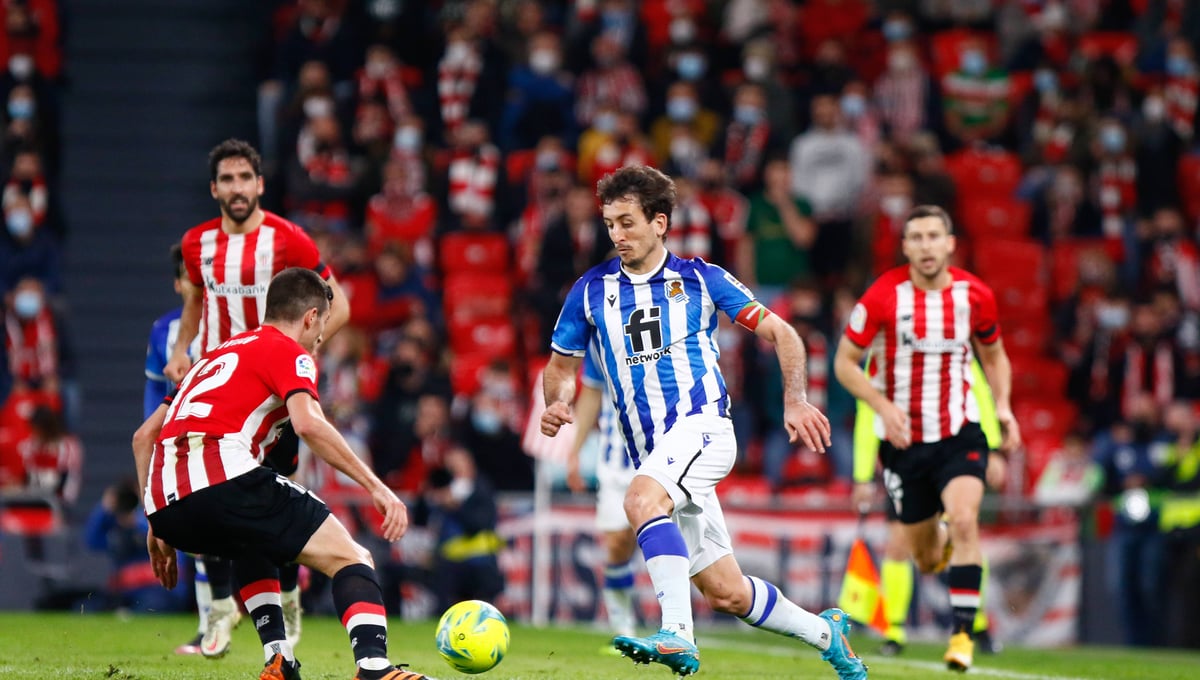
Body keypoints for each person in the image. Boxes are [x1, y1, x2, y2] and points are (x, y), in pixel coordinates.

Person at [540, 165, 867, 679]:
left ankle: (677, 633)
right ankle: (828, 635)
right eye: (610, 224)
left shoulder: (700, 278)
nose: (617, 235)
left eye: (627, 222)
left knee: (640, 501)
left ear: (659, 222)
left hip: (704, 428)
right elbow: (560, 369)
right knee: (727, 593)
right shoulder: (589, 290)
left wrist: (796, 400)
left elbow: (783, 333)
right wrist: (556, 402)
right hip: (658, 457)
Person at [132, 267, 432, 680]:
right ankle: (374, 668)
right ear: (310, 317)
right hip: (224, 479)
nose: (322, 337)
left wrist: (154, 520)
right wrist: (376, 486)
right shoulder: (290, 352)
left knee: (252, 541)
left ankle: (280, 659)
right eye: (323, 324)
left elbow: (143, 436)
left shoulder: (212, 356)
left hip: (167, 506)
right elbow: (308, 424)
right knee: (352, 556)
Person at [163, 138, 351, 656]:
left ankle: (287, 599)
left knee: (277, 498)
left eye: (245, 177)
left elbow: (339, 306)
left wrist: (299, 355)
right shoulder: (197, 243)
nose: (237, 188)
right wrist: (180, 350)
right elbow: (195, 304)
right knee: (206, 490)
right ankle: (217, 615)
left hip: (271, 399)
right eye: (227, 179)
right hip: (215, 390)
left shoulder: (290, 241)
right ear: (214, 189)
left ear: (260, 184)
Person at [833, 205, 1021, 672]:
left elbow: (994, 357)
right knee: (925, 558)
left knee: (966, 521)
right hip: (904, 446)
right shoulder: (883, 297)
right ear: (905, 247)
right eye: (916, 237)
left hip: (959, 434)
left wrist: (1002, 409)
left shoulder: (975, 295)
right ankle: (937, 544)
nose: (926, 246)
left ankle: (962, 637)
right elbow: (844, 365)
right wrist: (882, 408)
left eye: (934, 236)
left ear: (950, 243)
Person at [850, 358, 1005, 656]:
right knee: (901, 545)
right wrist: (862, 475)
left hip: (952, 452)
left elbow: (978, 393)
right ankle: (895, 632)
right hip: (905, 458)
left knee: (963, 527)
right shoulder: (882, 351)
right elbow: (867, 412)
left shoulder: (951, 339)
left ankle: (976, 622)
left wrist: (993, 447)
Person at [142, 243, 213, 654]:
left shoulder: (234, 323)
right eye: (189, 278)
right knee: (199, 533)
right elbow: (155, 394)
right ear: (178, 284)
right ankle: (210, 627)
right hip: (186, 442)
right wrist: (155, 441)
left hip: (237, 436)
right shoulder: (163, 330)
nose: (198, 285)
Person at [565, 350, 638, 641]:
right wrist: (575, 451)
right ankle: (623, 627)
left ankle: (677, 625)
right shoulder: (600, 338)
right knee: (618, 543)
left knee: (671, 542)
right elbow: (591, 393)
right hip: (615, 463)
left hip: (662, 458)